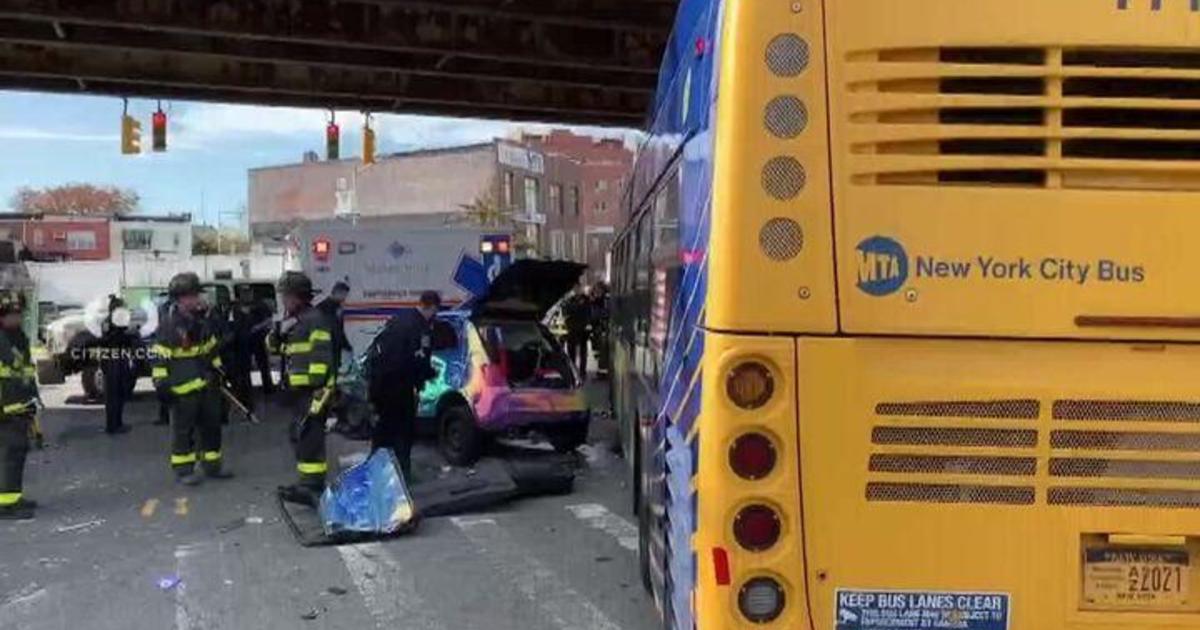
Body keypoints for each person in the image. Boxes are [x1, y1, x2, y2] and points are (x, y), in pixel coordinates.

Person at [151, 272, 232, 486]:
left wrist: (219, 371)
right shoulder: (169, 326)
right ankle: (184, 470)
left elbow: (210, 349)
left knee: (212, 427)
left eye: (198, 295)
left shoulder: (202, 322)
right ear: (181, 299)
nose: (198, 299)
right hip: (182, 389)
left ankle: (212, 466)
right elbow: (159, 357)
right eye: (194, 296)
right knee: (183, 431)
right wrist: (161, 383)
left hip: (207, 386)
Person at [269, 271, 336, 500]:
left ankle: (313, 485)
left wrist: (316, 386)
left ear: (298, 297)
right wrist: (276, 335)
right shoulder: (297, 320)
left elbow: (321, 356)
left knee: (309, 436)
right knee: (299, 435)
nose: (284, 301)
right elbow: (280, 350)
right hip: (299, 391)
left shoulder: (314, 319)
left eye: (286, 296)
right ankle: (306, 482)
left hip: (312, 391)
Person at [367, 290, 440, 479]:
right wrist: (429, 374)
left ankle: (375, 472)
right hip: (400, 388)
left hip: (380, 385)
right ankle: (402, 475)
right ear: (431, 307)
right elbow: (419, 360)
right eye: (435, 311)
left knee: (383, 432)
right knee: (403, 433)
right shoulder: (421, 327)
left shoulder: (398, 319)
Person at [0, 291, 39, 520]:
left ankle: (13, 497)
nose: (19, 318)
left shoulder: (17, 336)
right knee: (10, 452)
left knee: (18, 450)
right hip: (5, 407)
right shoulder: (3, 339)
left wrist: (31, 398)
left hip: (18, 404)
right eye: (14, 314)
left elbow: (25, 371)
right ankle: (6, 504)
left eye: (19, 314)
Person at [98, 296, 136, 435]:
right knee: (115, 395)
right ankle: (114, 426)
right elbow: (117, 339)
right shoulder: (116, 321)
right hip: (116, 360)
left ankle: (115, 424)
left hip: (111, 359)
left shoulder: (108, 321)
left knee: (115, 394)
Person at [316, 281, 352, 357]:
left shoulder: (335, 307)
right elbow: (336, 329)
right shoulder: (327, 308)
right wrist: (346, 345)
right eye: (344, 295)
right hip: (327, 349)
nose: (345, 298)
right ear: (337, 292)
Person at [562, 286, 591, 380]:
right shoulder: (570, 300)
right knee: (571, 352)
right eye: (575, 289)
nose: (577, 290)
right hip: (572, 329)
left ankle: (582, 371)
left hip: (582, 329)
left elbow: (588, 312)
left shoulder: (586, 299)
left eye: (578, 288)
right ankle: (573, 370)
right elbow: (567, 311)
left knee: (583, 351)